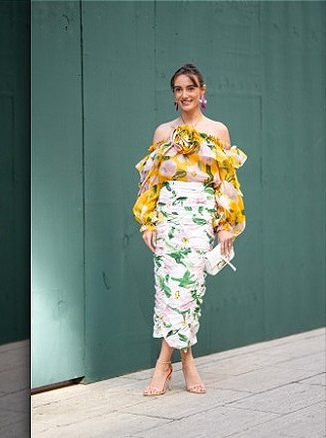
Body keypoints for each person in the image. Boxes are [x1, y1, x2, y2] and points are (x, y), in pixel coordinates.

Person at [133, 64, 246, 396]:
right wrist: (147, 222)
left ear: (202, 91)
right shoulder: (162, 133)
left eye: (190, 88)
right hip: (168, 216)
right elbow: (150, 183)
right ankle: (185, 363)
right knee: (170, 289)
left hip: (199, 217)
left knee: (190, 290)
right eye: (178, 90)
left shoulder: (218, 131)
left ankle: (164, 364)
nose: (184, 95)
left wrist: (226, 227)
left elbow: (226, 183)